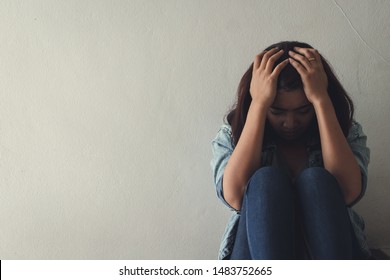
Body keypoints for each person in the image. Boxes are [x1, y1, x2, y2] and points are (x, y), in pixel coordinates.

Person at [211, 41, 370, 260]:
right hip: (257, 260)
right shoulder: (233, 133)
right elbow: (235, 196)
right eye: (277, 111)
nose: (290, 122)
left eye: (303, 110)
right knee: (265, 180)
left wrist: (321, 100)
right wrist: (259, 104)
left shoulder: (345, 129)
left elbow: (348, 192)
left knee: (316, 180)